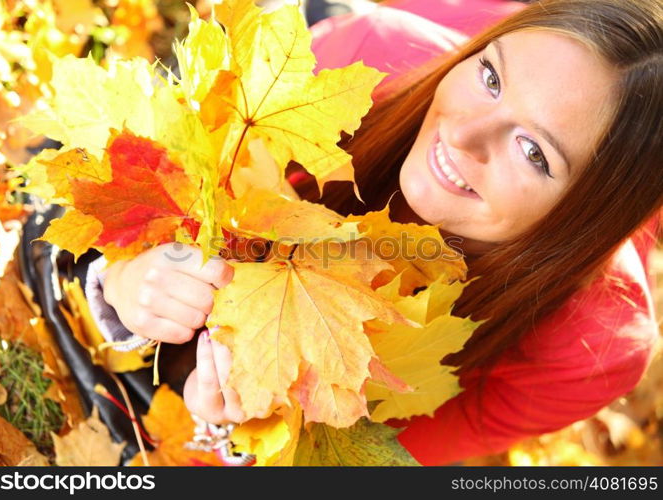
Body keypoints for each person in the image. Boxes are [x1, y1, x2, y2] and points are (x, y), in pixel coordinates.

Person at [85, 0, 663, 465]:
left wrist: (243, 428)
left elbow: (369, 460)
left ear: (586, 212)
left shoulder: (593, 352)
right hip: (376, 42)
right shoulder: (365, 62)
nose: (464, 136)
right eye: (490, 76)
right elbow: (152, 179)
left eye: (533, 151)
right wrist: (123, 275)